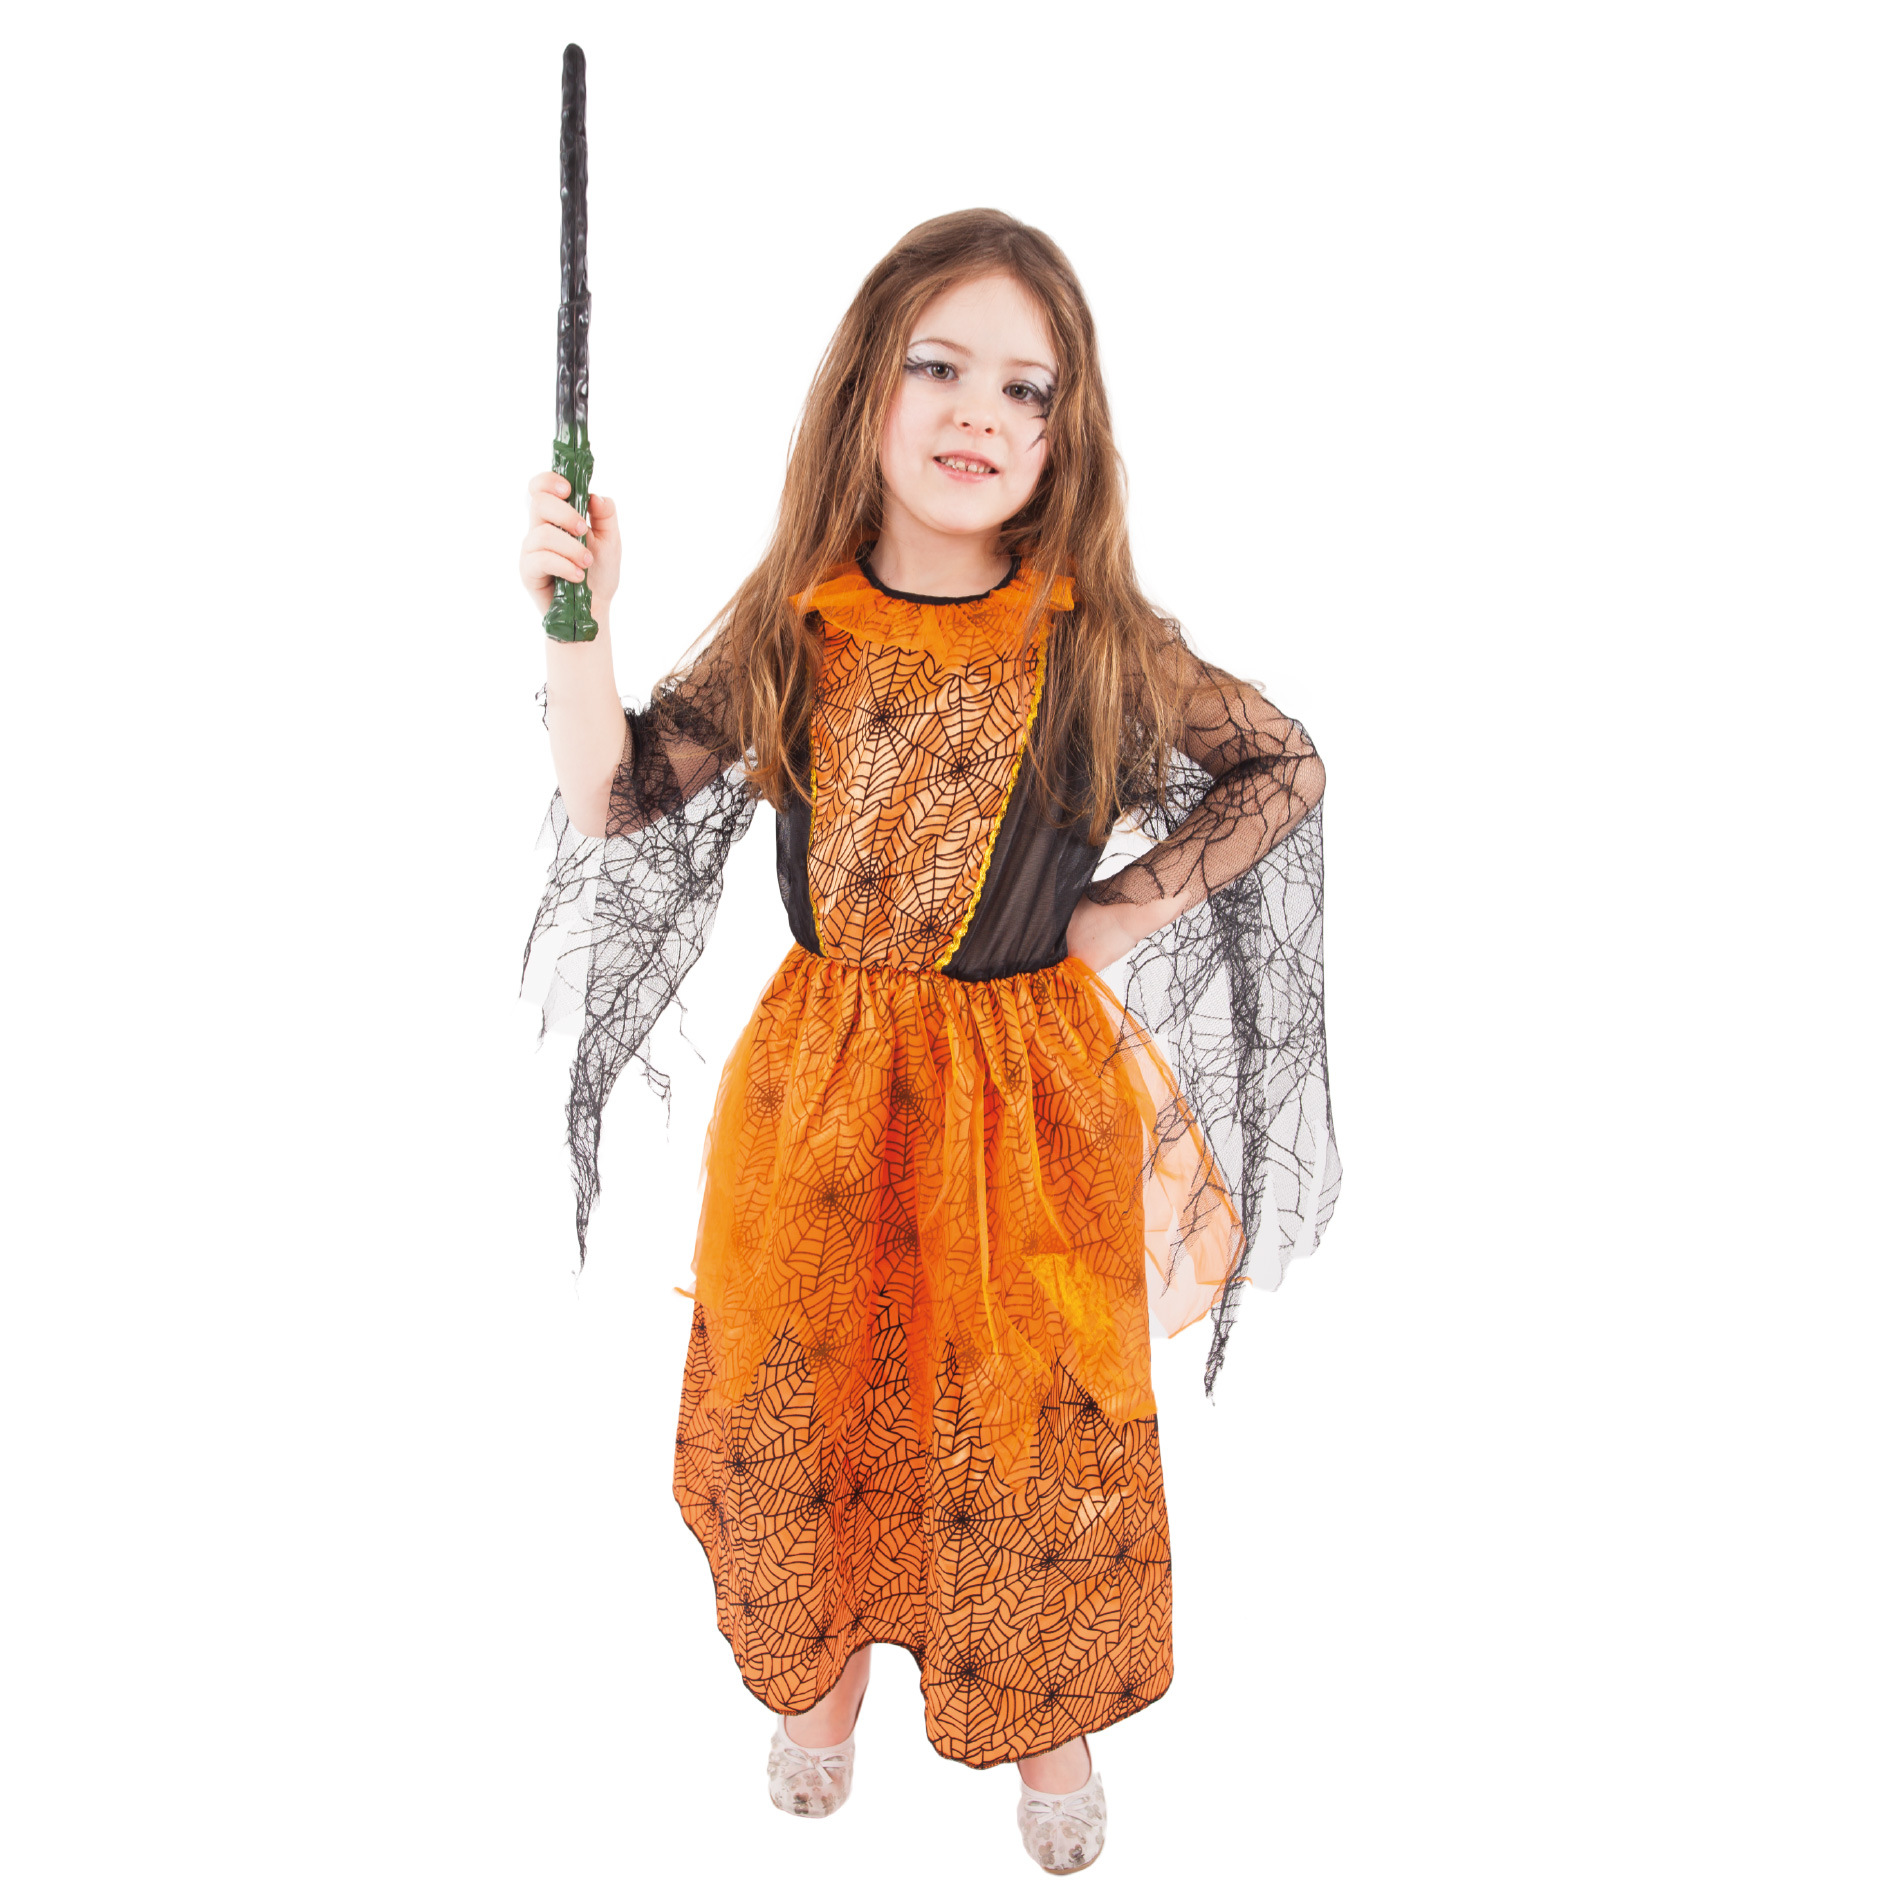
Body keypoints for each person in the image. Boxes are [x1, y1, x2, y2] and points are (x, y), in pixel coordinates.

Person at [517, 207, 1341, 1876]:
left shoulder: (1094, 641)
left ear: (1065, 431)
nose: (980, 413)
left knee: (1018, 1413)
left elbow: (1285, 768)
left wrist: (1111, 916)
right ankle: (821, 1676)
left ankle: (1041, 1705)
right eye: (939, 367)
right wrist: (573, 619)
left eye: (1027, 389)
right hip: (823, 1093)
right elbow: (614, 798)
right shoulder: (798, 621)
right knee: (824, 1386)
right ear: (866, 392)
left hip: (1023, 1101)